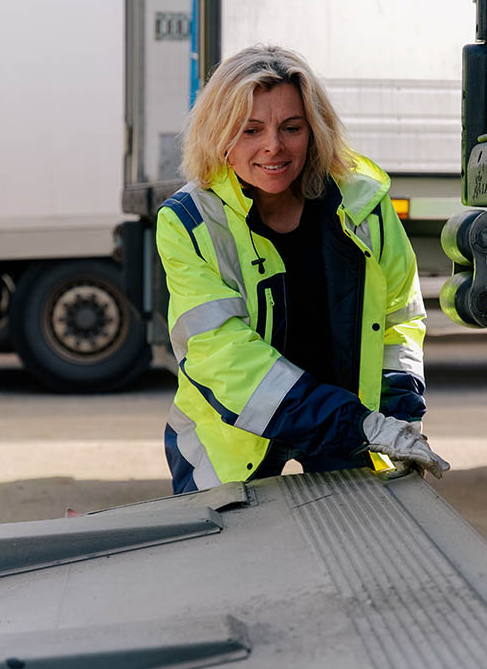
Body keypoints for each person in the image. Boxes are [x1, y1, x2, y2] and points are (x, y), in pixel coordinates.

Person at [156, 44, 449, 494]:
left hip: (351, 429)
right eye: (250, 130)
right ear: (220, 136)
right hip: (231, 442)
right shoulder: (189, 223)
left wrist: (398, 418)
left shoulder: (363, 207)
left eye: (291, 127)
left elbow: (398, 319)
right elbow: (224, 357)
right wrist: (359, 424)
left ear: (314, 132)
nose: (274, 145)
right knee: (234, 564)